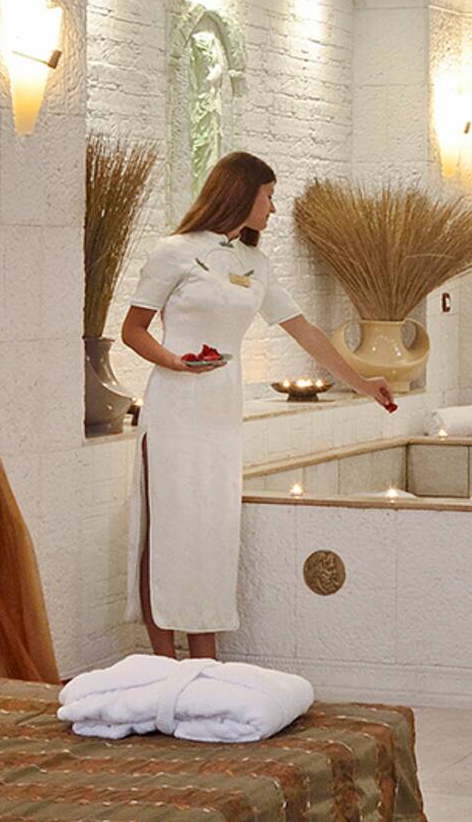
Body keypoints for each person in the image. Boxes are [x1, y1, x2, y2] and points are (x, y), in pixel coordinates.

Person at [121, 150, 394, 658]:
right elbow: (132, 330)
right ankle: (164, 657)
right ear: (241, 193)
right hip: (176, 408)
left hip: (222, 411)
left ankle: (204, 652)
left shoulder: (256, 263)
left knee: (212, 529)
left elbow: (304, 331)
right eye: (268, 195)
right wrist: (176, 361)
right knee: (168, 527)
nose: (272, 207)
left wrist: (360, 382)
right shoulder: (174, 252)